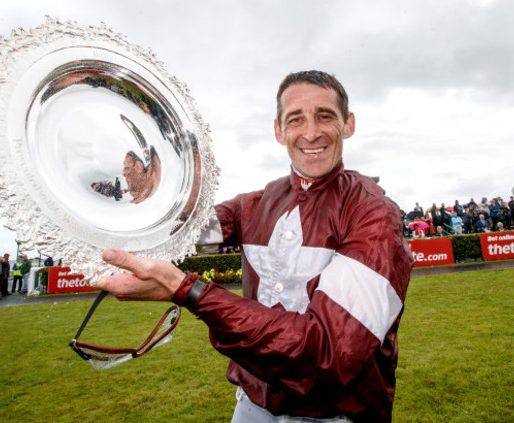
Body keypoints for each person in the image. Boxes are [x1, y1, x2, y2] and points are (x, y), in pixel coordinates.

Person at [96, 71, 413, 422]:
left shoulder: (373, 212)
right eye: (296, 119)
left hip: (338, 413)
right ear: (279, 131)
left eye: (325, 116)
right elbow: (178, 232)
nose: (310, 133)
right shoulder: (254, 204)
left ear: (348, 124)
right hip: (252, 405)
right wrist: (149, 189)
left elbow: (329, 355)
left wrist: (186, 290)